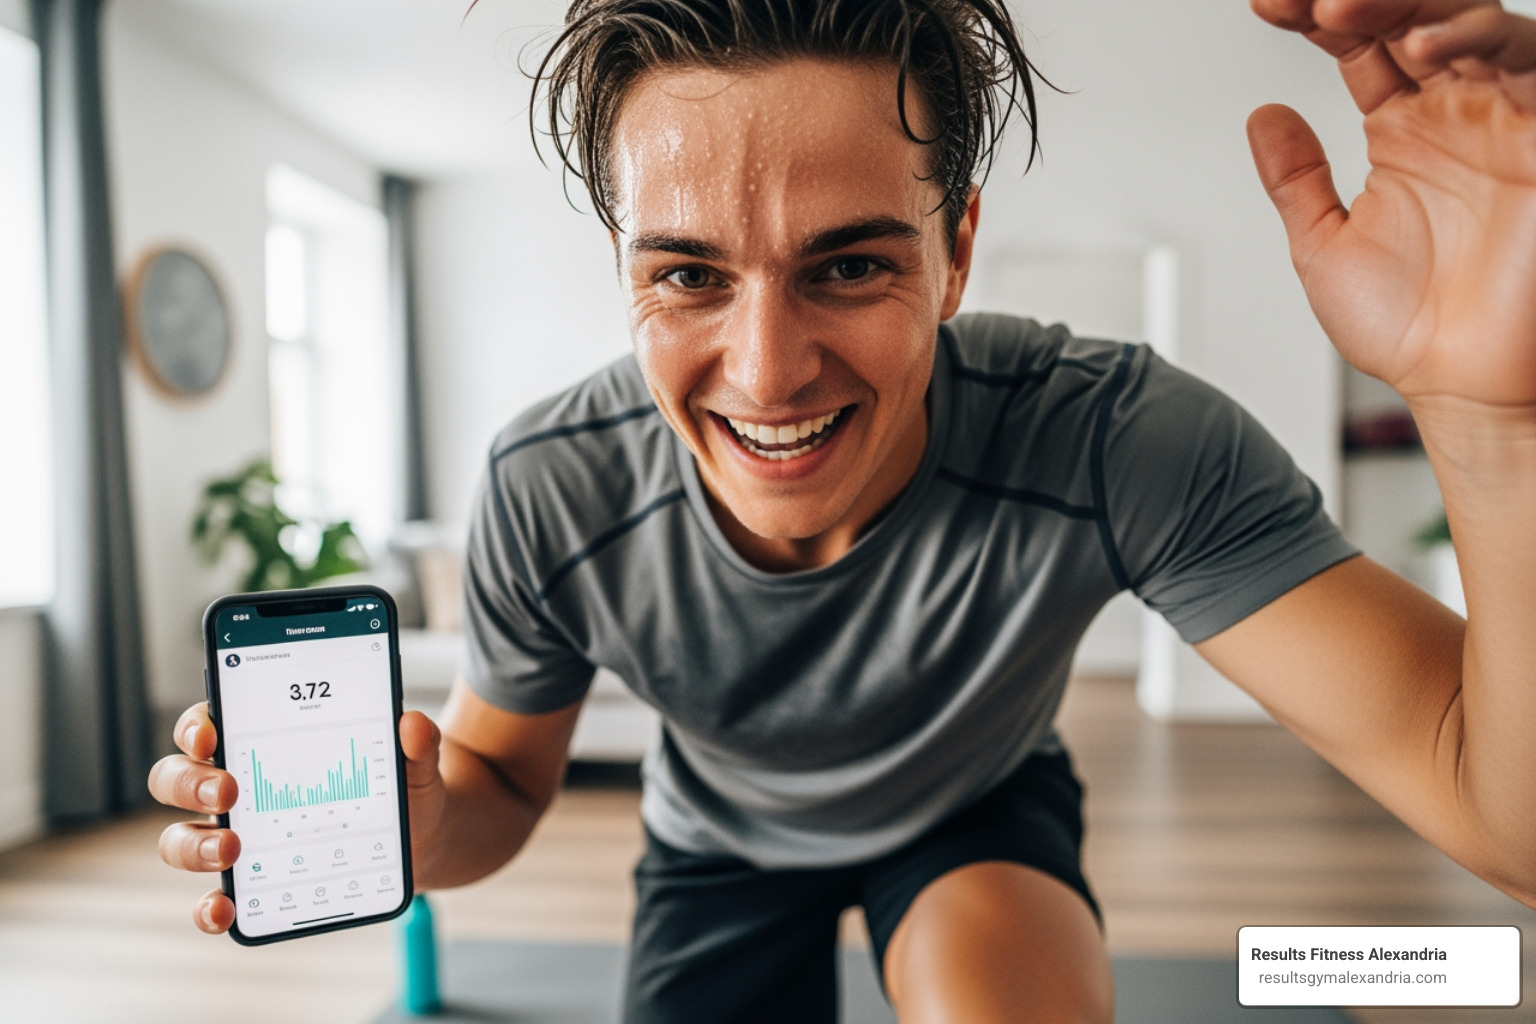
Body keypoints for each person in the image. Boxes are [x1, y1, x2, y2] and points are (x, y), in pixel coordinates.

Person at [150, 0, 1536, 1020]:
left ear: (956, 252)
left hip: (973, 807)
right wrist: (410, 818)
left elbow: (1508, 821)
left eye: (851, 266)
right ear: (625, 268)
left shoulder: (1113, 435)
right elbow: (502, 799)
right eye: (688, 277)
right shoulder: (551, 486)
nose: (767, 372)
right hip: (717, 842)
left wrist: (1497, 420)